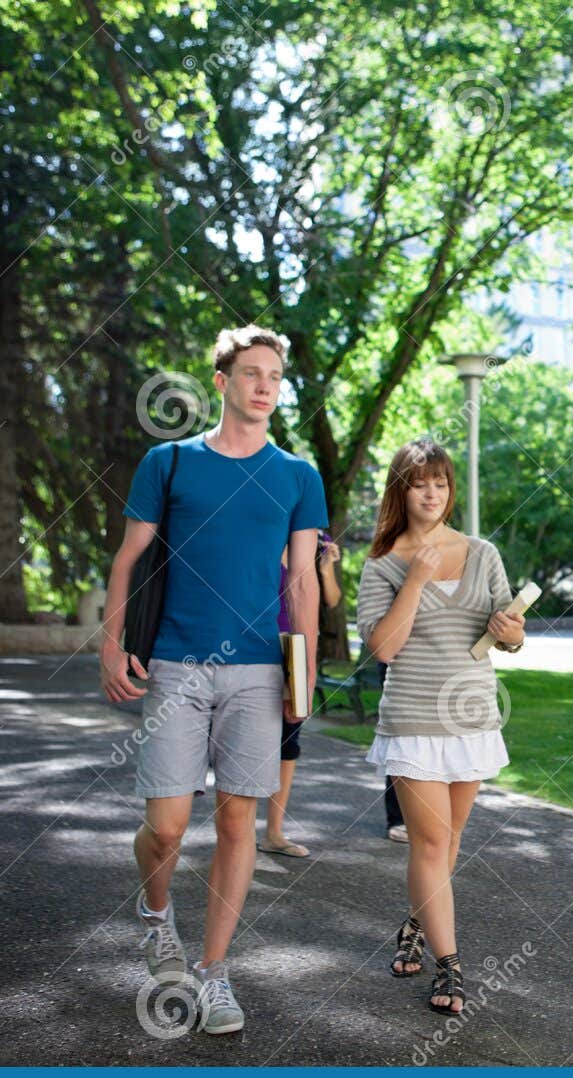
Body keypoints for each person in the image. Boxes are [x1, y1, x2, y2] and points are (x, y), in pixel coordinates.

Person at [100, 326, 327, 1035]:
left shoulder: (298, 474)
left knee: (238, 820)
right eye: (250, 372)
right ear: (222, 380)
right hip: (175, 663)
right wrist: (110, 645)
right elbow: (127, 557)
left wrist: (307, 666)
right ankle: (156, 915)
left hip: (260, 669)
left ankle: (215, 972)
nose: (264, 384)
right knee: (165, 827)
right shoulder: (169, 463)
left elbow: (303, 578)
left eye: (274, 376)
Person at [354, 439, 524, 1015]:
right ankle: (450, 968)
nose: (432, 493)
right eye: (420, 482)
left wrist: (511, 630)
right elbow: (383, 647)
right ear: (400, 490)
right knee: (429, 840)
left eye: (442, 483)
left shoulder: (482, 553)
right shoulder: (381, 563)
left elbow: (512, 634)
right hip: (414, 718)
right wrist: (414, 581)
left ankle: (415, 926)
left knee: (448, 842)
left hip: (472, 715)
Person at [259, 531, 344, 857]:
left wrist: (326, 569)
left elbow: (332, 600)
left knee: (288, 740)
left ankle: (273, 832)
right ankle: (236, 832)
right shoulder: (262, 527)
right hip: (256, 647)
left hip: (296, 650)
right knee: (251, 738)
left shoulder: (314, 541)